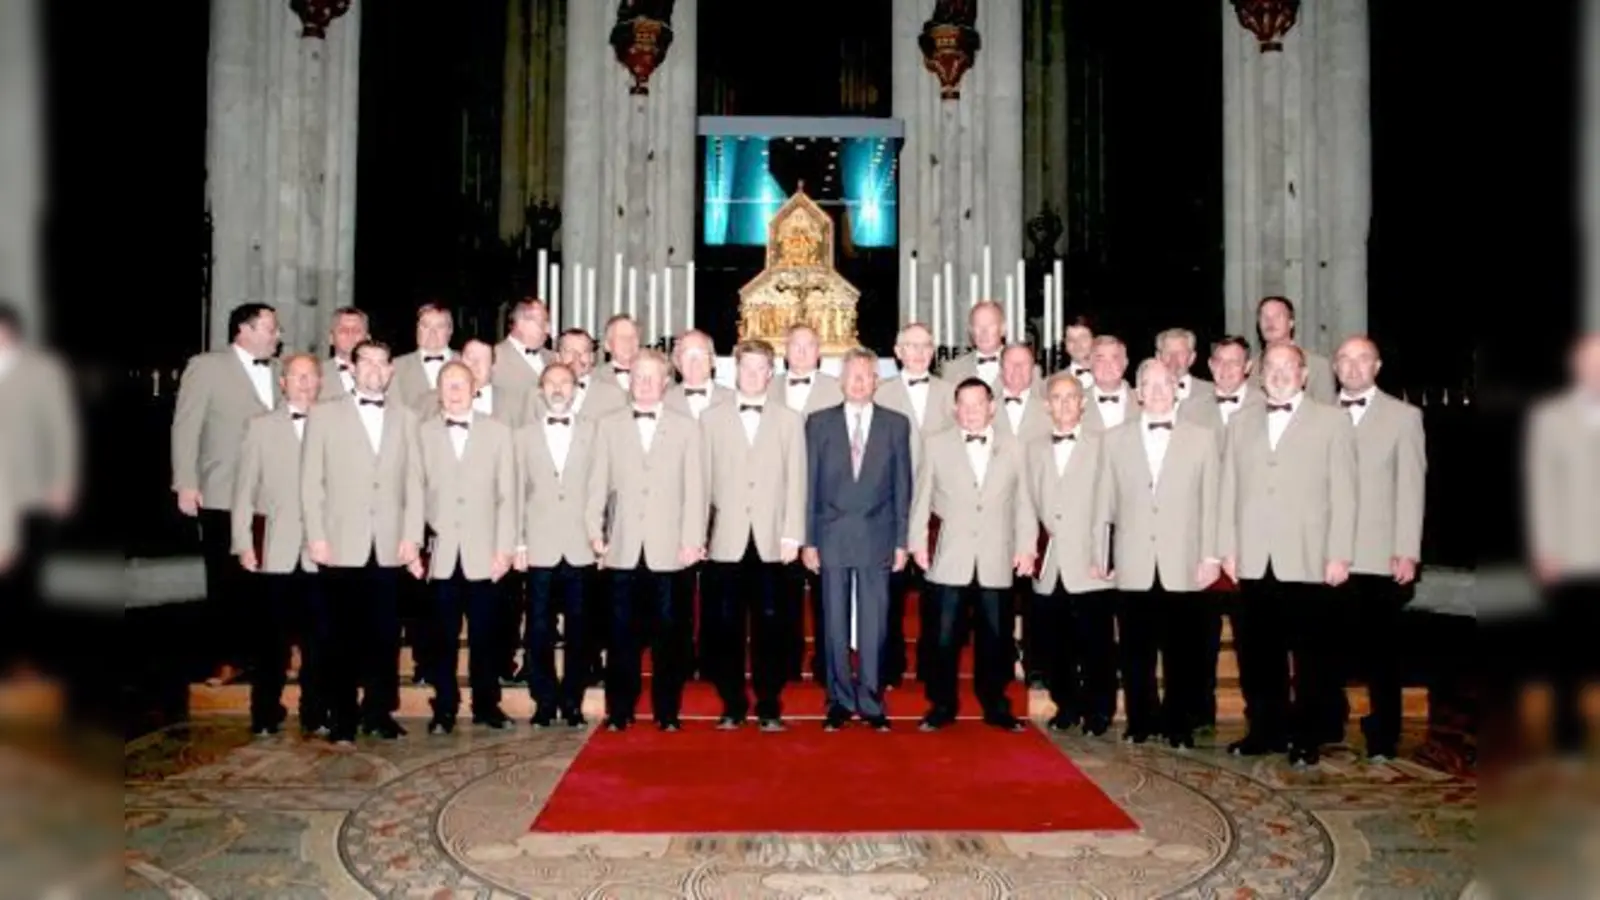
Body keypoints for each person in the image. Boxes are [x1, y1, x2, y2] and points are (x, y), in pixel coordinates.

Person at [1219, 343, 1357, 766]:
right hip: (1255, 556)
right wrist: (1227, 547)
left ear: (1304, 375)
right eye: (1271, 368)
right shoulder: (1241, 422)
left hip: (1309, 557)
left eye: (1287, 367)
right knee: (1259, 653)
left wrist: (1339, 554)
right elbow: (1229, 488)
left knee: (1310, 656)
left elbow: (1345, 493)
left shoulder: (1332, 421)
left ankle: (1306, 735)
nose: (1278, 374)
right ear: (1259, 376)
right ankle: (1265, 729)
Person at [301, 339, 425, 744]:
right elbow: (311, 482)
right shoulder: (323, 415)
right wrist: (316, 535)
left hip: (388, 543)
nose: (373, 370)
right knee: (339, 637)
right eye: (366, 362)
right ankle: (342, 717)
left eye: (381, 364)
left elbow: (414, 483)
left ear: (391, 372)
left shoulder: (406, 418)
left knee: (384, 635)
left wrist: (411, 536)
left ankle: (378, 712)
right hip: (340, 543)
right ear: (351, 369)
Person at [1093, 359, 1221, 748]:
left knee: (1183, 653)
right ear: (1138, 393)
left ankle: (1179, 724)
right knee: (1135, 651)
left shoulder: (1203, 438)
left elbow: (1212, 502)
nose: (1159, 391)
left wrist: (1211, 556)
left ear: (1177, 389)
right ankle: (1140, 720)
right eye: (1150, 384)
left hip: (1183, 561)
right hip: (1133, 562)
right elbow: (1104, 502)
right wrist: (1101, 554)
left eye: (1166, 383)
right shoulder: (1113, 439)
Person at [587, 349, 707, 731]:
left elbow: (696, 491)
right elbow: (596, 486)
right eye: (638, 376)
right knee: (620, 637)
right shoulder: (608, 425)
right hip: (622, 550)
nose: (644, 383)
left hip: (669, 552)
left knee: (668, 640)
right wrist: (594, 532)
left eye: (652, 377)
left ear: (665, 382)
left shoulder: (687, 427)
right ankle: (619, 711)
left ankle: (667, 712)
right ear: (629, 380)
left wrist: (692, 540)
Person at [908, 377, 1037, 732]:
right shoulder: (935, 445)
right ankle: (941, 705)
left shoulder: (1014, 447)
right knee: (943, 638)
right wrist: (917, 541)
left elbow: (1024, 500)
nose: (970, 412)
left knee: (995, 640)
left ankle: (996, 705)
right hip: (949, 557)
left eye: (977, 404)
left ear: (992, 407)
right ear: (954, 408)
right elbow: (921, 497)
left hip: (997, 556)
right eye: (963, 405)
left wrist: (1027, 546)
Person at [171, 301, 280, 685]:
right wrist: (185, 481)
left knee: (266, 581)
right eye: (270, 329)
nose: (277, 336)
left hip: (273, 496)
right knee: (225, 580)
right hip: (223, 489)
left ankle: (266, 657)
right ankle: (227, 659)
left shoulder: (281, 371)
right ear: (244, 330)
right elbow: (186, 426)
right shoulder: (207, 367)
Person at [803, 348, 913, 732]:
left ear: (876, 381)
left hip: (877, 536)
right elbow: (809, 487)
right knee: (832, 624)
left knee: (875, 625)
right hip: (830, 536)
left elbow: (904, 487)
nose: (860, 381)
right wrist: (808, 541)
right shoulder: (817, 424)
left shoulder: (896, 425)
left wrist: (902, 542)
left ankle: (871, 700)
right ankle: (837, 701)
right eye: (853, 375)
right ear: (841, 380)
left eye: (867, 375)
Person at [700, 340, 807, 729]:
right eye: (747, 367)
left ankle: (768, 702)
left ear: (771, 372)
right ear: (735, 370)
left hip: (772, 540)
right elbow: (700, 482)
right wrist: (698, 535)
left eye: (762, 368)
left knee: (771, 628)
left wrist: (793, 533)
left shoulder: (789, 419)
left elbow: (798, 480)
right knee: (725, 627)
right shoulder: (710, 419)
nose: (753, 375)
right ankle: (731, 702)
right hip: (726, 540)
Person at [1333, 335, 1427, 761]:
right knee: (1325, 647)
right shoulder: (1314, 413)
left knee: (1380, 654)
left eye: (1362, 360)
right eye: (1345, 360)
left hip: (1378, 553)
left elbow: (1411, 488)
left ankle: (1384, 734)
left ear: (1377, 366)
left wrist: (1407, 548)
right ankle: (1328, 722)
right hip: (1324, 554)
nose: (1353, 368)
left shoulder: (1403, 417)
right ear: (1335, 366)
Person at [417, 361, 517, 733]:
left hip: (485, 553)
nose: (454, 391)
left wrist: (504, 548)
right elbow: (413, 492)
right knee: (440, 638)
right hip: (440, 554)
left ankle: (487, 705)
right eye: (447, 384)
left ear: (475, 388)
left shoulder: (498, 432)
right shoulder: (423, 433)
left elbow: (509, 496)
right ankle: (444, 707)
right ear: (439, 391)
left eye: (461, 384)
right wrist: (415, 546)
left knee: (486, 637)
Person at [231, 353, 325, 736]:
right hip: (277, 550)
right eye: (296, 376)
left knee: (320, 641)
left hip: (321, 552)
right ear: (282, 383)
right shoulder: (260, 427)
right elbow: (244, 491)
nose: (304, 383)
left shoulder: (334, 424)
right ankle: (265, 713)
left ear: (320, 382)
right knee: (271, 643)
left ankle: (315, 712)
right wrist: (243, 542)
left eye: (310, 376)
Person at [1026, 373, 1116, 735]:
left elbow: (1112, 504)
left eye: (1071, 398)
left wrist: (1106, 557)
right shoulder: (1033, 448)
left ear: (1083, 403)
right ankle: (1067, 705)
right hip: (1050, 563)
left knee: (1095, 643)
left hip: (1090, 560)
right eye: (1057, 398)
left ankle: (1099, 710)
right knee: (1054, 642)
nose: (1064, 404)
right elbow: (1026, 503)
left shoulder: (1104, 445)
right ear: (1047, 405)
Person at [1524, 331, 1600, 755]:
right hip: (1570, 555)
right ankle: (1566, 740)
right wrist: (1546, 547)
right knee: (1567, 653)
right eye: (1589, 363)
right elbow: (1542, 487)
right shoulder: (1551, 417)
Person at [515, 363, 598, 727]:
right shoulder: (522, 436)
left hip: (582, 545)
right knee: (537, 629)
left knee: (582, 630)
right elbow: (515, 493)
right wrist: (517, 542)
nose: (558, 389)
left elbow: (602, 488)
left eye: (565, 382)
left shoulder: (595, 433)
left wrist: (600, 536)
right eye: (551, 383)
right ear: (541, 390)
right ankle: (544, 701)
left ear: (576, 389)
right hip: (539, 546)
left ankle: (573, 700)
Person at [874, 322, 955, 686]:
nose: (919, 353)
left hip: (939, 507)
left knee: (935, 592)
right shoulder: (880, 392)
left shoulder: (952, 393)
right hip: (891, 506)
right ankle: (890, 666)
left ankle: (932, 667)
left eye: (926, 346)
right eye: (912, 346)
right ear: (898, 350)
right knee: (889, 591)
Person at [1252, 296, 1336, 404]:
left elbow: (1327, 413)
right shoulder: (1249, 369)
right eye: (1264, 317)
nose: (1270, 321)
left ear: (1291, 323)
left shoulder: (1318, 365)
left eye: (1277, 316)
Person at [391, 302, 457, 411]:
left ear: (450, 330)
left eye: (439, 326)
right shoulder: (396, 366)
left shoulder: (466, 362)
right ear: (417, 329)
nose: (432, 333)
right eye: (426, 326)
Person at [493, 297, 557, 390]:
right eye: (542, 324)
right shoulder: (494, 358)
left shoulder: (554, 359)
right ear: (521, 324)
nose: (548, 330)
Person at [1080, 335, 1139, 433]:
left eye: (1114, 358)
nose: (1107, 366)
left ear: (1125, 362)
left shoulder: (1144, 402)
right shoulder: (1075, 403)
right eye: (1100, 359)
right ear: (1089, 363)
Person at [320, 306, 370, 400]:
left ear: (367, 338)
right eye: (343, 330)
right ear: (331, 338)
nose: (350, 334)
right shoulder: (316, 374)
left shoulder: (384, 375)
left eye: (356, 331)